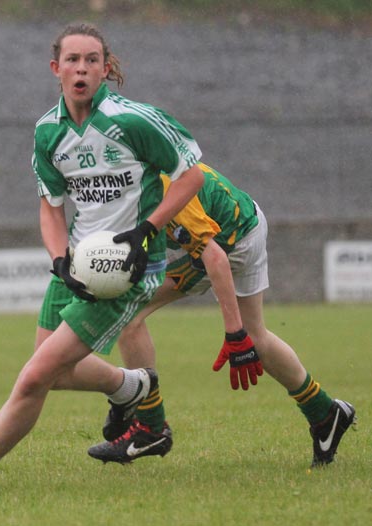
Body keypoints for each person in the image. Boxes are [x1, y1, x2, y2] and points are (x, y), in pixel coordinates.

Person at [0, 22, 205, 488]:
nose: (81, 68)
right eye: (72, 60)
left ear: (105, 69)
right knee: (56, 375)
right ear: (55, 68)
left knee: (34, 376)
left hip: (128, 267)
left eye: (91, 60)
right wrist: (59, 257)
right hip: (78, 263)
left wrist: (148, 229)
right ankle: (133, 386)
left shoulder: (133, 120)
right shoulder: (48, 132)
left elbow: (191, 176)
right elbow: (51, 205)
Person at [86, 162, 356, 467]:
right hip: (247, 218)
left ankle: (151, 426)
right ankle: (326, 413)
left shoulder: (160, 191)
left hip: (230, 244)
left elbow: (213, 257)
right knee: (258, 337)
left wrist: (234, 334)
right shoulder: (142, 166)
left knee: (129, 313)